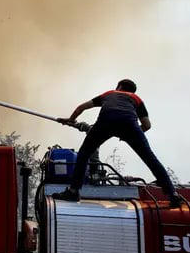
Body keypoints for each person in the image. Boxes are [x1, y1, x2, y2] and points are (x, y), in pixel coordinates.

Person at [53, 79, 181, 207]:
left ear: (119, 87)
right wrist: (131, 135)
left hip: (105, 123)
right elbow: (147, 125)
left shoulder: (109, 94)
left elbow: (81, 107)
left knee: (84, 154)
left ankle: (73, 191)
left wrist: (71, 120)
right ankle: (173, 195)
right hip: (130, 126)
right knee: (151, 159)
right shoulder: (136, 99)